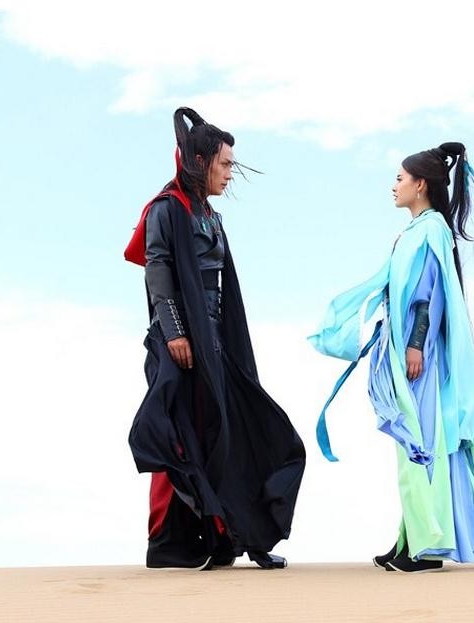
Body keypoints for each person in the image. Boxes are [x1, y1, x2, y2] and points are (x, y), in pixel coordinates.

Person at [309, 142, 474, 572]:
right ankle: (411, 537)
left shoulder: (430, 231)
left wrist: (415, 345)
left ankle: (426, 547)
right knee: (416, 443)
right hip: (405, 348)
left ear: (420, 184)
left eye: (400, 178)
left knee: (420, 443)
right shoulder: (418, 230)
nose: (394, 186)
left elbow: (427, 294)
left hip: (417, 354)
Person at [125, 107, 305, 570]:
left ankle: (233, 536)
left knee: (238, 432)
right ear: (200, 161)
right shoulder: (166, 209)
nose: (229, 173)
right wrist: (175, 333)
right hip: (179, 344)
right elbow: (158, 269)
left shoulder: (212, 217)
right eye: (224, 164)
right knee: (180, 437)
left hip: (215, 343)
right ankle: (172, 546)